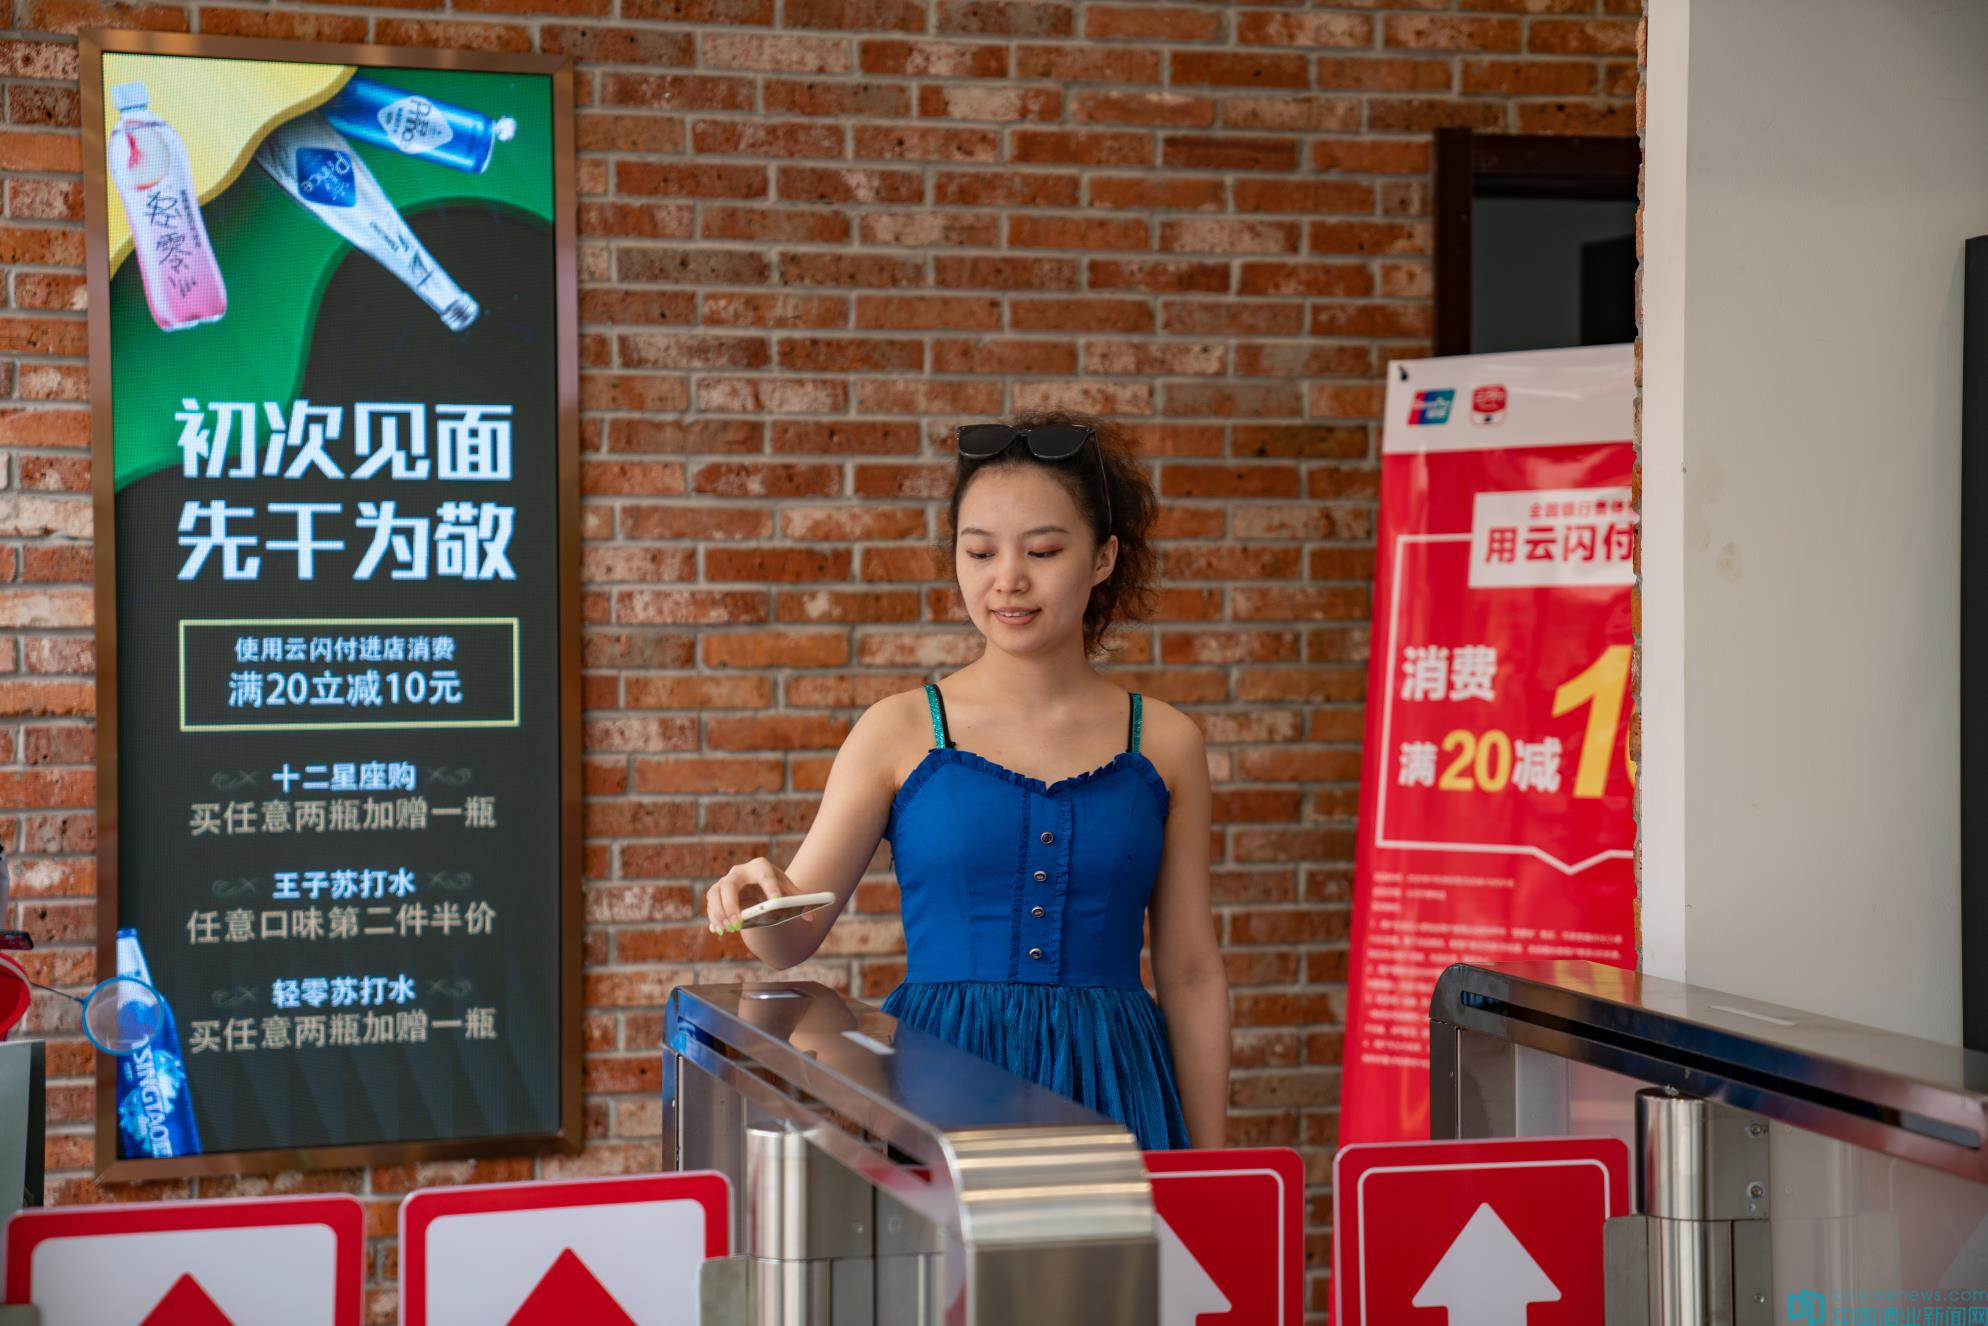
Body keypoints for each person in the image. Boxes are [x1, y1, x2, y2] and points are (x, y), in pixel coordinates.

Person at [703, 412, 1230, 1150]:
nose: (1007, 579)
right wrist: (757, 901)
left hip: (1116, 1082)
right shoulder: (896, 729)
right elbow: (792, 940)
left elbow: (1191, 971)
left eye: (1043, 551)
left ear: (1103, 558)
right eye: (979, 551)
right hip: (939, 1079)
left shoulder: (1169, 742)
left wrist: (1211, 1165)